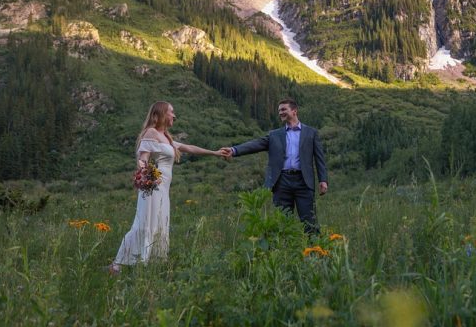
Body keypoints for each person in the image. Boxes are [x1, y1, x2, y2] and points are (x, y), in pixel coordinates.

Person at [109, 101, 224, 273]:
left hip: (162, 189)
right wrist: (148, 178)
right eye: (171, 112)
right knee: (145, 223)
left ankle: (149, 264)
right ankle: (118, 265)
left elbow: (188, 148)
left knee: (159, 222)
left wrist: (215, 153)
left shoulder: (166, 137)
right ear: (160, 114)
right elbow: (142, 159)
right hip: (153, 187)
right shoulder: (151, 133)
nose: (174, 115)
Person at [221, 98, 328, 235]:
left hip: (304, 182)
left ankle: (315, 253)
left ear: (294, 111)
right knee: (282, 222)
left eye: (284, 109)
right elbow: (256, 144)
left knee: (310, 221)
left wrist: (323, 180)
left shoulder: (311, 133)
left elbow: (320, 158)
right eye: (279, 111)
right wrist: (234, 150)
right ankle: (286, 253)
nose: (280, 113)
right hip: (281, 182)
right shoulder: (274, 135)